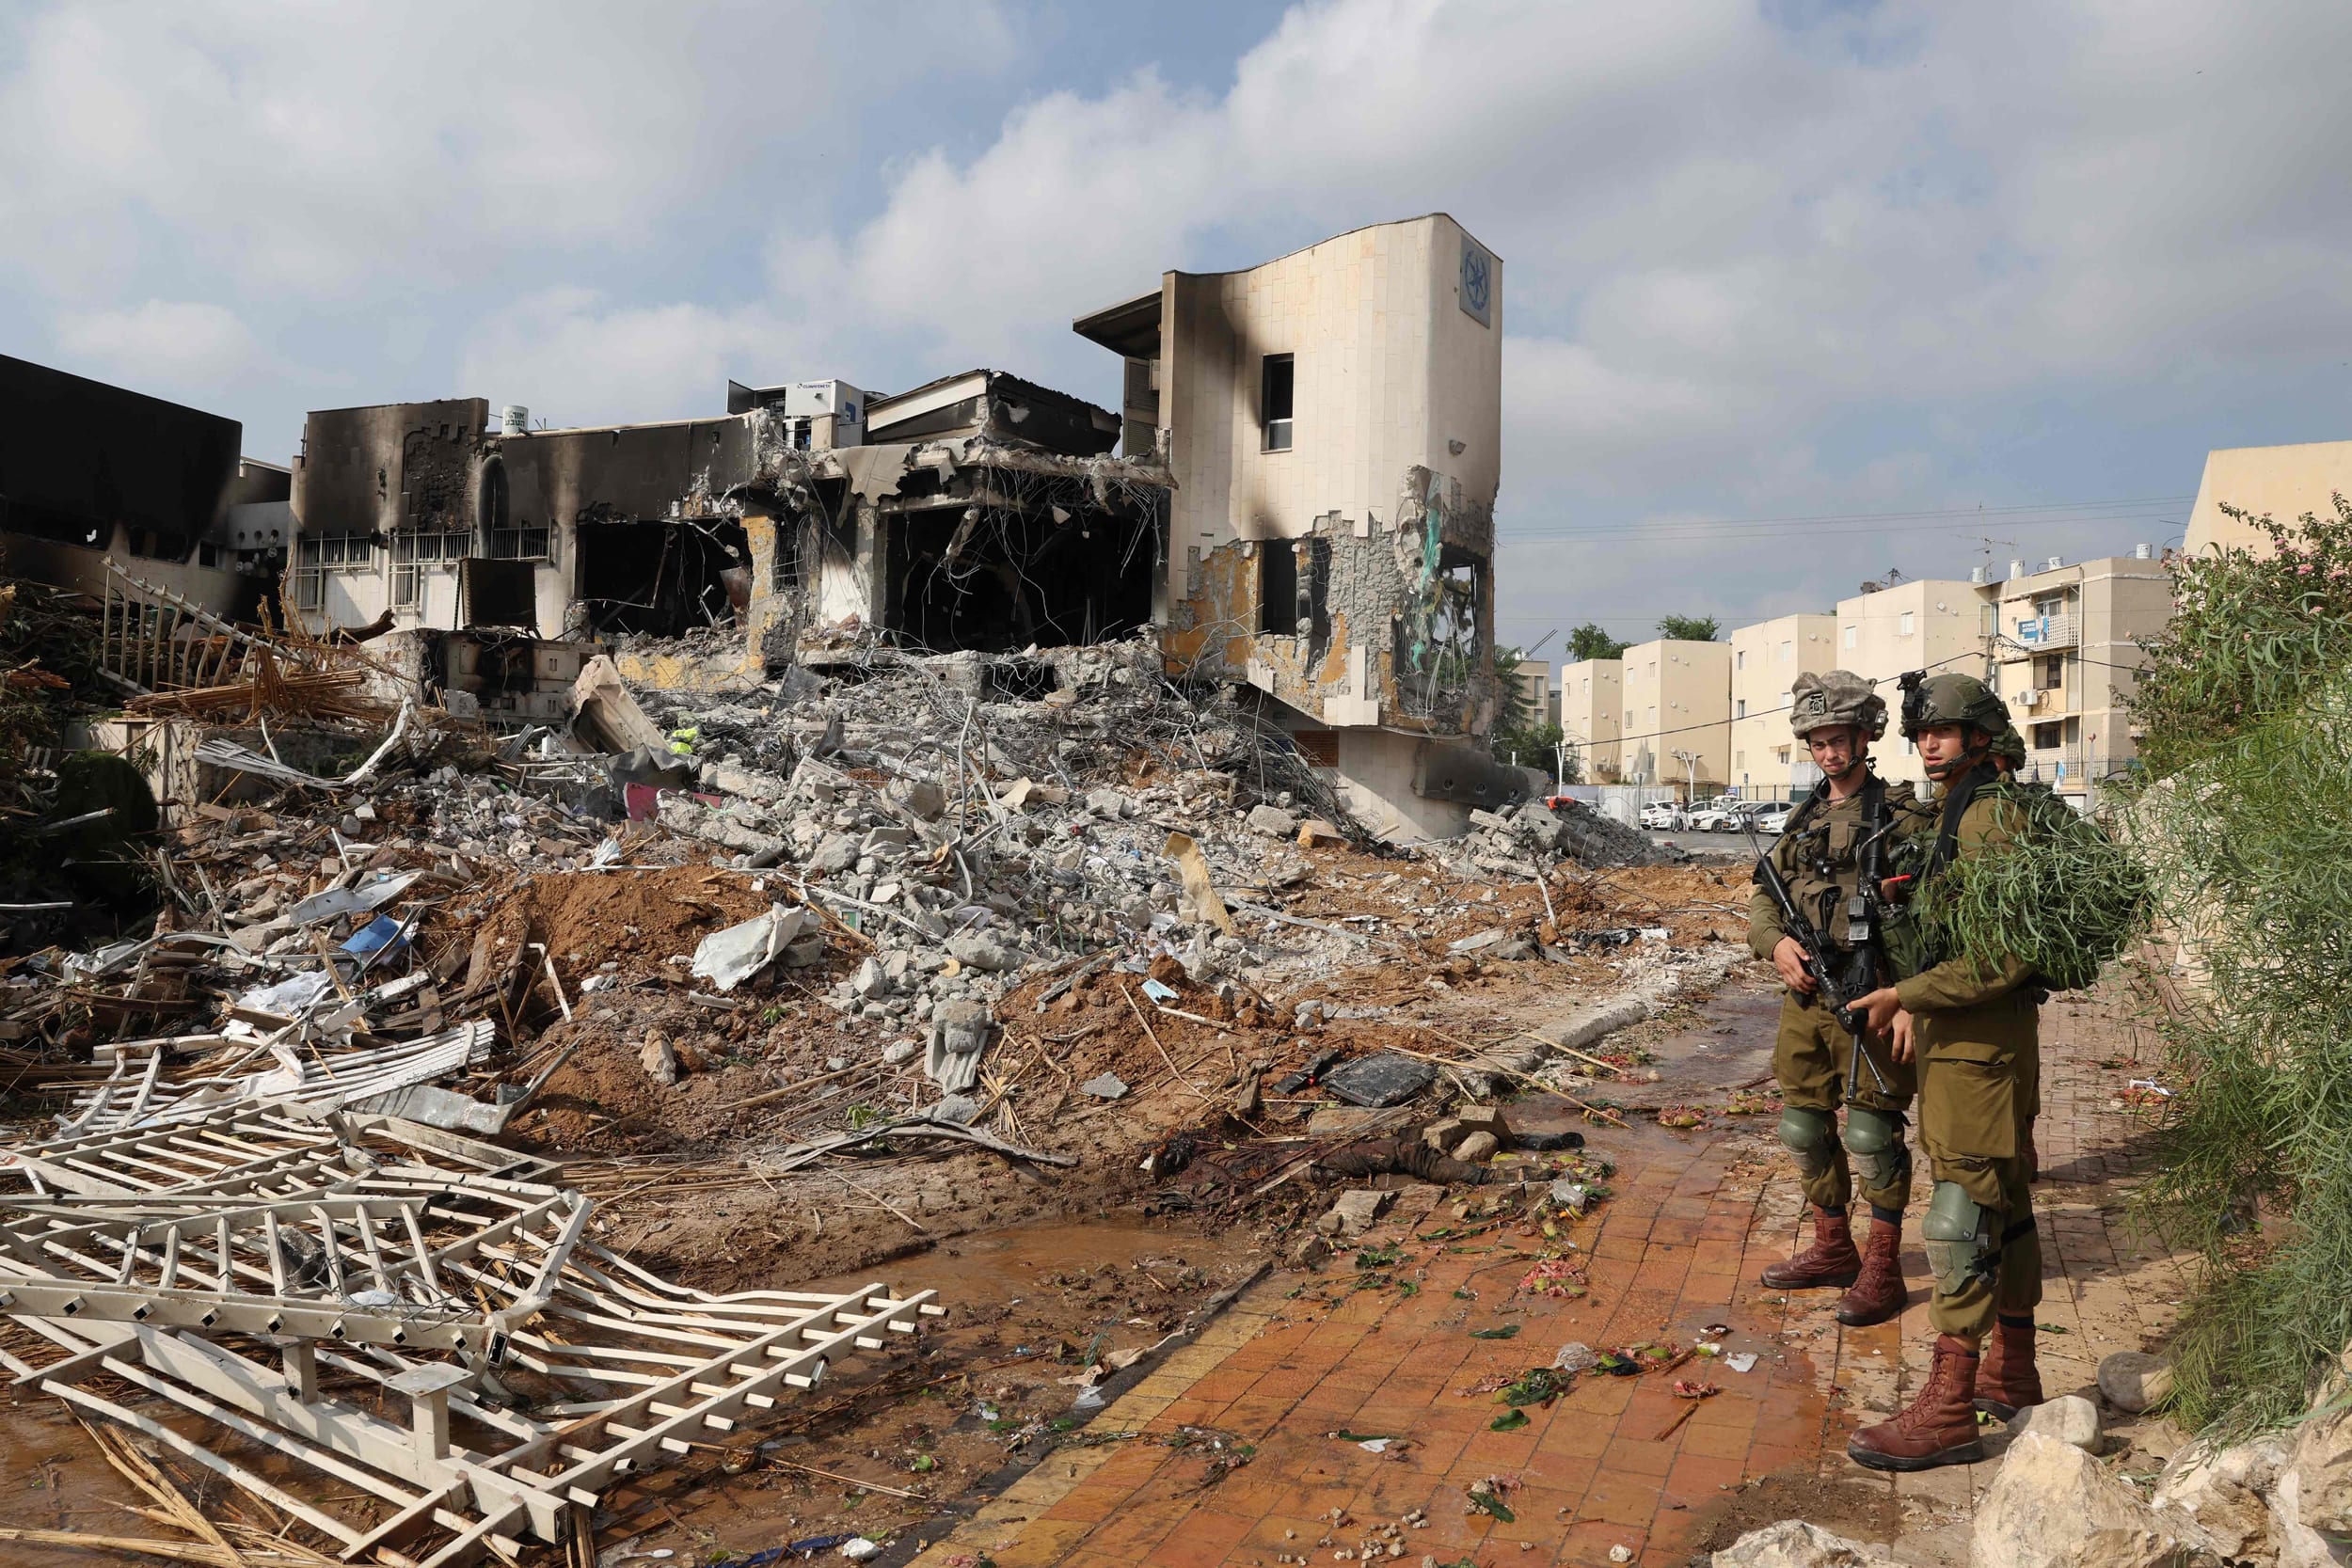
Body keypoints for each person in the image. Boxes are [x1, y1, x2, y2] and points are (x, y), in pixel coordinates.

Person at [1845, 673, 2044, 1472]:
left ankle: (1950, 1409)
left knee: (1960, 1215)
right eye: (1923, 731)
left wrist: (1905, 993)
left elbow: (2005, 952)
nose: (1929, 742)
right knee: (2009, 1207)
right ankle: (2015, 1369)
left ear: (1981, 735)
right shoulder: (1967, 805)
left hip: (1977, 1048)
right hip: (1976, 1045)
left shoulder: (1989, 817)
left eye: (1946, 730)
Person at [1747, 671, 1916, 1327]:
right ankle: (1832, 1246)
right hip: (1808, 995)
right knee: (1802, 1126)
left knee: (1873, 1134)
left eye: (1838, 739)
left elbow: (1930, 917)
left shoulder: (1898, 816)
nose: (1829, 752)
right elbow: (1765, 894)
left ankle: (1883, 1267)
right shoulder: (1804, 816)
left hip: (1871, 991)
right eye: (1818, 741)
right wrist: (1774, 945)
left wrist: (1907, 998)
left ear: (1863, 736)